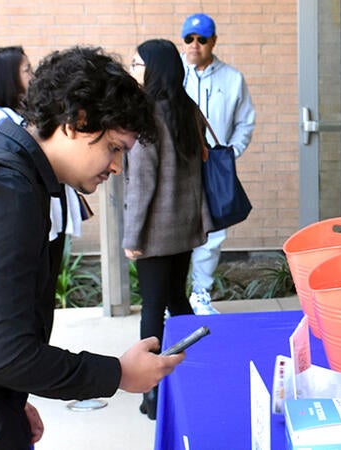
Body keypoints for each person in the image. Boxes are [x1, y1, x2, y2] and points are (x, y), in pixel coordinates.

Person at [0, 46, 183, 449]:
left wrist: (8, 398)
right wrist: (117, 374)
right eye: (114, 147)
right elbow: (6, 355)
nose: (116, 167)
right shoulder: (4, 194)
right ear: (75, 121)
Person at [123, 38, 210, 420]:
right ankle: (202, 366)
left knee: (152, 313)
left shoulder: (147, 118)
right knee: (177, 299)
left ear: (153, 69)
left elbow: (142, 185)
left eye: (136, 63)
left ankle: (152, 393)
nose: (132, 69)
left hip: (156, 234)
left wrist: (132, 238)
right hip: (185, 228)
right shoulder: (187, 109)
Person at [0, 46, 88, 279]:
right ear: (8, 79)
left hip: (51, 210)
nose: (33, 75)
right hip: (31, 213)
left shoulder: (25, 113)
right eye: (27, 70)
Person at [180, 12, 256, 315]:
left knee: (213, 234)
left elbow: (245, 122)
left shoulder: (232, 78)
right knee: (179, 231)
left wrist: (230, 153)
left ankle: (201, 294)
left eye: (201, 39)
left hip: (215, 167)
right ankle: (176, 297)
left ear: (213, 41)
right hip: (182, 167)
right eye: (189, 39)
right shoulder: (176, 77)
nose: (194, 45)